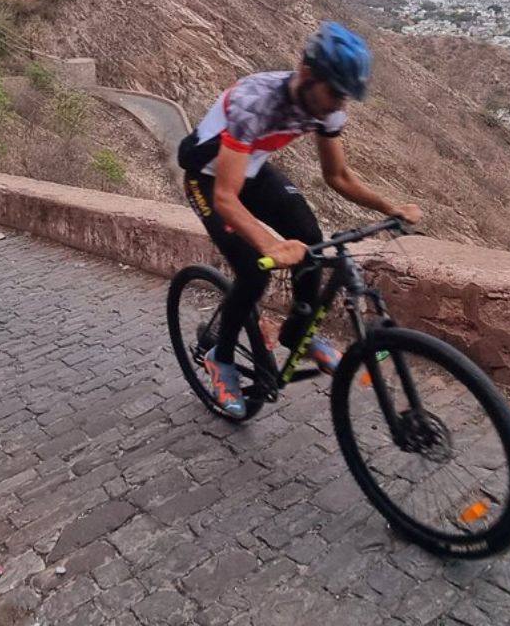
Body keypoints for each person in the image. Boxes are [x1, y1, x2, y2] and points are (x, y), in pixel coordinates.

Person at [176, 22, 423, 418]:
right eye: (336, 93)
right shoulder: (255, 103)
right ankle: (220, 357)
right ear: (308, 74)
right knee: (254, 272)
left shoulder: (326, 109)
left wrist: (388, 207)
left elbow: (337, 176)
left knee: (310, 239)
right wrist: (270, 245)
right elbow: (225, 198)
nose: (340, 106)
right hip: (207, 180)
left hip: (251, 170)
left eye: (345, 96)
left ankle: (297, 333)